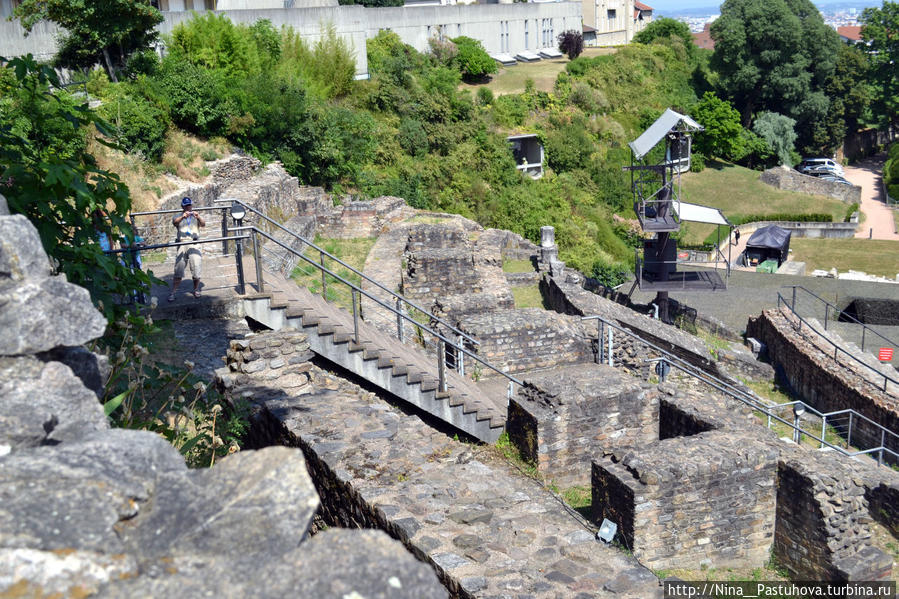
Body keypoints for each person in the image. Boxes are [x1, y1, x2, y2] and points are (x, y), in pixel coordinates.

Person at [168, 197, 205, 301]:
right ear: (182, 206)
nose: (189, 207)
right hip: (182, 243)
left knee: (196, 268)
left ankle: (196, 289)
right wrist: (182, 217)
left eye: (190, 205)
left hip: (194, 243)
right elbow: (175, 223)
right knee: (178, 269)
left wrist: (198, 217)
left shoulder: (195, 216)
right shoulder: (178, 216)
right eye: (186, 205)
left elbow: (203, 224)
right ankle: (173, 292)